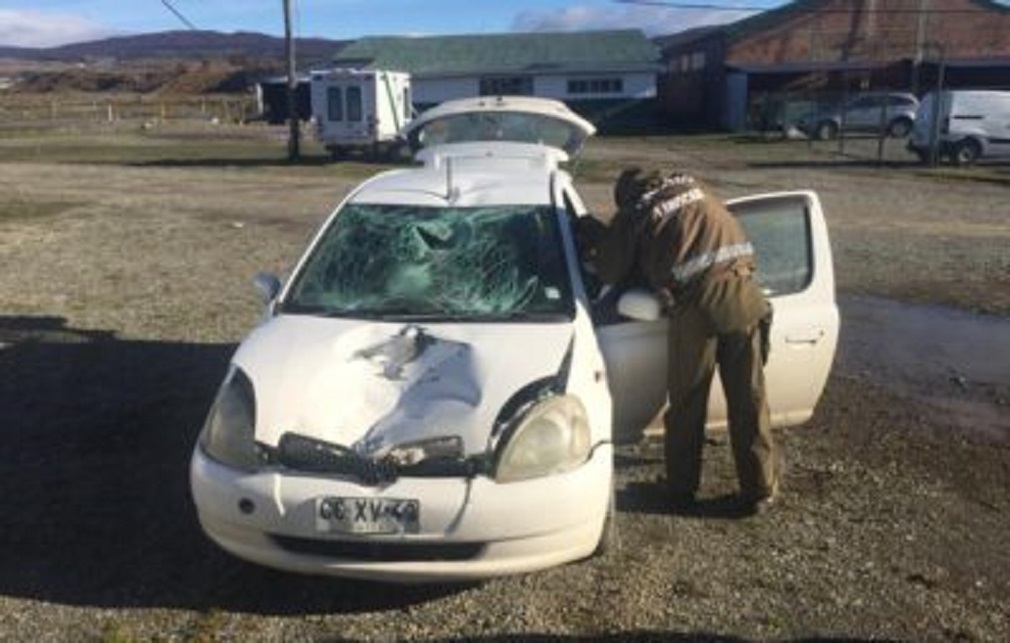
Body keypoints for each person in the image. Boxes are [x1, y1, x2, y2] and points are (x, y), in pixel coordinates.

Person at [577, 167, 778, 514]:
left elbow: (610, 270)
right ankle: (760, 489)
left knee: (688, 402)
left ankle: (680, 491)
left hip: (699, 309)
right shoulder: (695, 186)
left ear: (626, 196)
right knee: (750, 401)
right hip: (747, 296)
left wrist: (596, 237)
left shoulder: (637, 212)